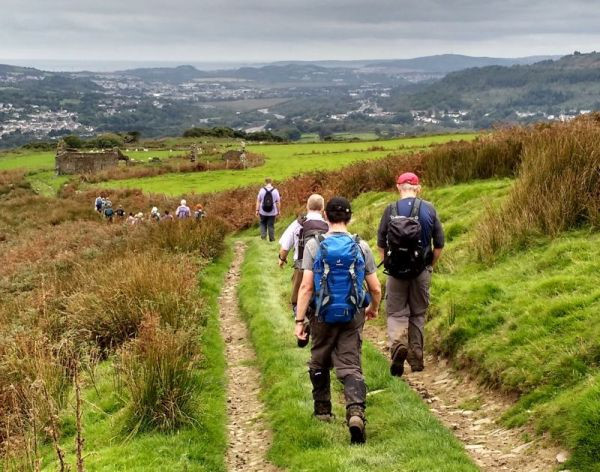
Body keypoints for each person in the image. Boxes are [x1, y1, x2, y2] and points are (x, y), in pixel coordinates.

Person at [295, 196, 382, 444]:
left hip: (322, 313)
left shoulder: (314, 245)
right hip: (353, 313)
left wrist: (299, 321)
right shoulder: (361, 246)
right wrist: (373, 309)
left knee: (319, 358)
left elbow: (306, 287)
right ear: (349, 217)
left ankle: (322, 411)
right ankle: (355, 412)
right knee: (350, 364)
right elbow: (375, 288)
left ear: (326, 216)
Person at [377, 172, 445, 377]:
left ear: (398, 187)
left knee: (396, 312)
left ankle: (398, 345)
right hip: (420, 270)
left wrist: (389, 262)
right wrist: (429, 265)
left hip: (396, 272)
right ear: (418, 188)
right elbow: (439, 244)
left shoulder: (390, 210)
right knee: (417, 314)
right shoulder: (429, 209)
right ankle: (416, 358)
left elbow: (381, 244)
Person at [278, 194, 329, 320]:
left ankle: (301, 320)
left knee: (297, 300)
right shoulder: (328, 225)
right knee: (323, 298)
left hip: (301, 268)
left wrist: (282, 259)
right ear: (323, 208)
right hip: (325, 269)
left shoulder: (298, 223)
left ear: (307, 206)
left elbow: (285, 246)